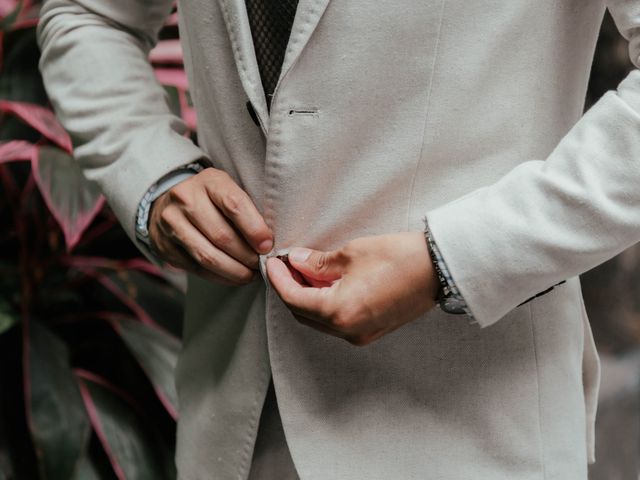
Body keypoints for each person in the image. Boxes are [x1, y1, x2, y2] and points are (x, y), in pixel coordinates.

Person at [36, 0, 640, 478]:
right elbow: (88, 14)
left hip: (472, 425)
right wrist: (150, 170)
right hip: (233, 423)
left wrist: (454, 257)